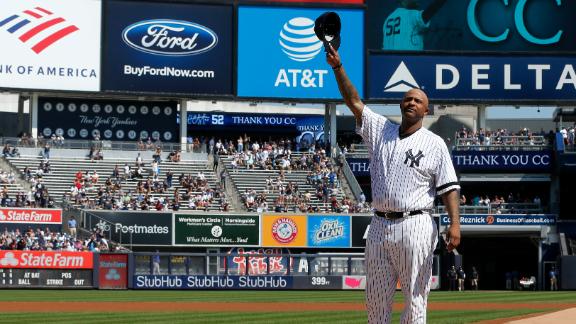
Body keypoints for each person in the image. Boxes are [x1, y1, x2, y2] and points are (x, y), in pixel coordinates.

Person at [326, 43, 460, 323]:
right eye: (407, 98)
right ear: (401, 104)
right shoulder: (380, 130)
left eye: (418, 101)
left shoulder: (434, 144)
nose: (411, 102)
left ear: (426, 111)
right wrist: (338, 67)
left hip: (416, 223)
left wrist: (455, 224)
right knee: (374, 301)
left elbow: (449, 187)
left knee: (415, 298)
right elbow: (353, 101)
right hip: (378, 225)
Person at [382, 0, 448, 51]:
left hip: (389, 62)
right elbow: (429, 12)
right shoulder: (410, 14)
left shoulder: (387, 19)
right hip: (409, 61)